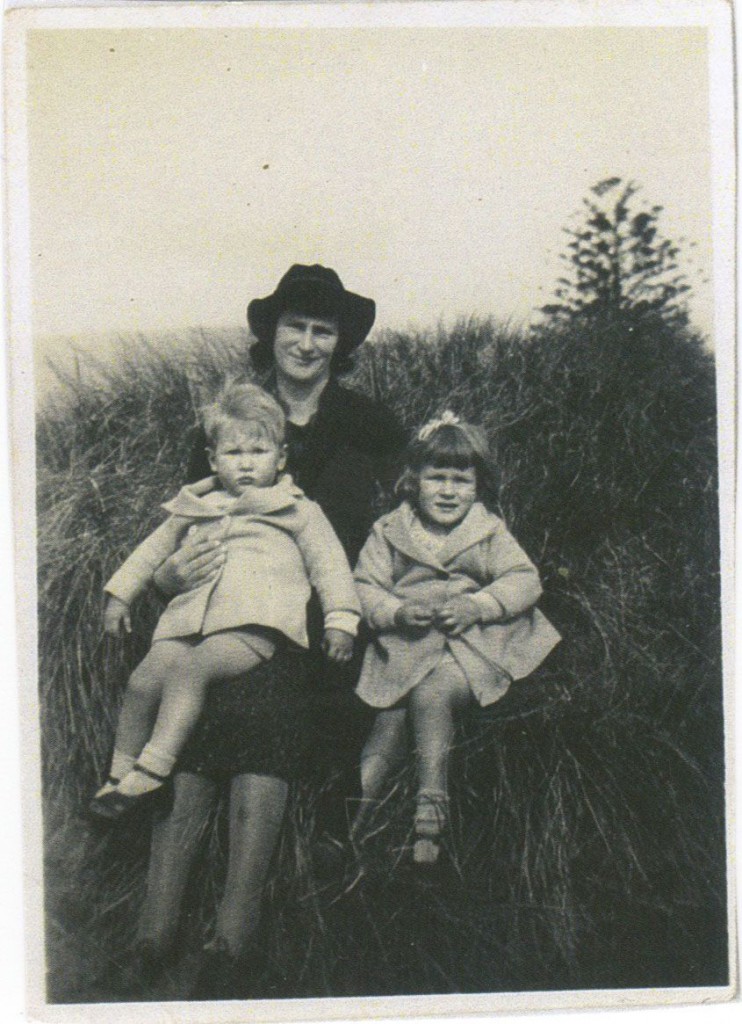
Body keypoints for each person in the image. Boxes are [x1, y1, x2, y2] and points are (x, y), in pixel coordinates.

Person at [131, 265, 405, 996]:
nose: (308, 343)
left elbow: (401, 521)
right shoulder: (235, 421)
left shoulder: (370, 427)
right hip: (229, 602)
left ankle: (234, 935)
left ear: (340, 342)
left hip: (326, 614)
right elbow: (182, 527)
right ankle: (155, 930)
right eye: (296, 326)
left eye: (324, 330)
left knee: (269, 709)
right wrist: (169, 576)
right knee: (202, 710)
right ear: (271, 332)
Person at [90, 382, 359, 819]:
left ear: (281, 457)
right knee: (144, 680)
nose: (248, 464)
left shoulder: (297, 509)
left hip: (253, 625)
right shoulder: (195, 503)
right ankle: (118, 779)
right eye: (234, 454)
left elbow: (330, 567)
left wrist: (341, 620)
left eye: (259, 451)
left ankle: (154, 772)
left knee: (191, 671)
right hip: (187, 621)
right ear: (214, 459)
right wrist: (119, 597)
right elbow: (152, 550)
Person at [352, 412, 561, 865]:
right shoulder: (390, 531)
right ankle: (352, 821)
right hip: (409, 644)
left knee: (432, 693)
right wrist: (395, 611)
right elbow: (364, 586)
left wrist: (478, 605)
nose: (448, 491)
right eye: (437, 478)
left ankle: (430, 812)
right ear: (413, 481)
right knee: (388, 722)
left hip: (474, 644)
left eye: (461, 481)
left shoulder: (487, 531)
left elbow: (525, 580)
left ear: (478, 485)